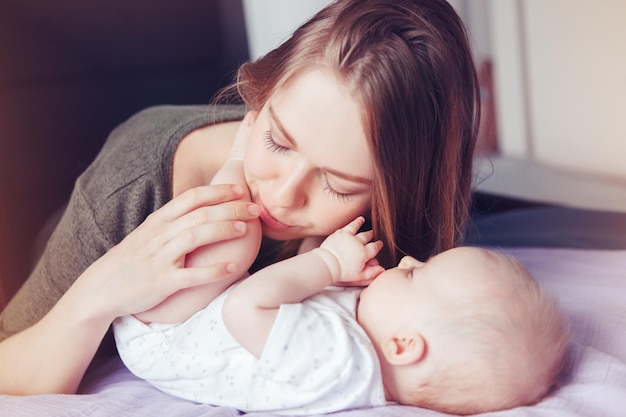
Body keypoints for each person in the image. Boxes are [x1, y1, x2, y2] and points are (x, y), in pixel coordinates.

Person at [0, 0, 480, 396]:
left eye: (338, 184)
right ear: (257, 102)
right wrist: (98, 294)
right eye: (278, 141)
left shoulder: (401, 231)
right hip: (55, 238)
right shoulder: (127, 192)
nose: (282, 195)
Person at [114, 217, 570, 415]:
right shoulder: (363, 349)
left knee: (237, 239)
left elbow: (245, 306)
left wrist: (328, 265)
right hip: (189, 320)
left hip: (163, 335)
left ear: (403, 346)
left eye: (416, 276)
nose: (407, 261)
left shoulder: (338, 363)